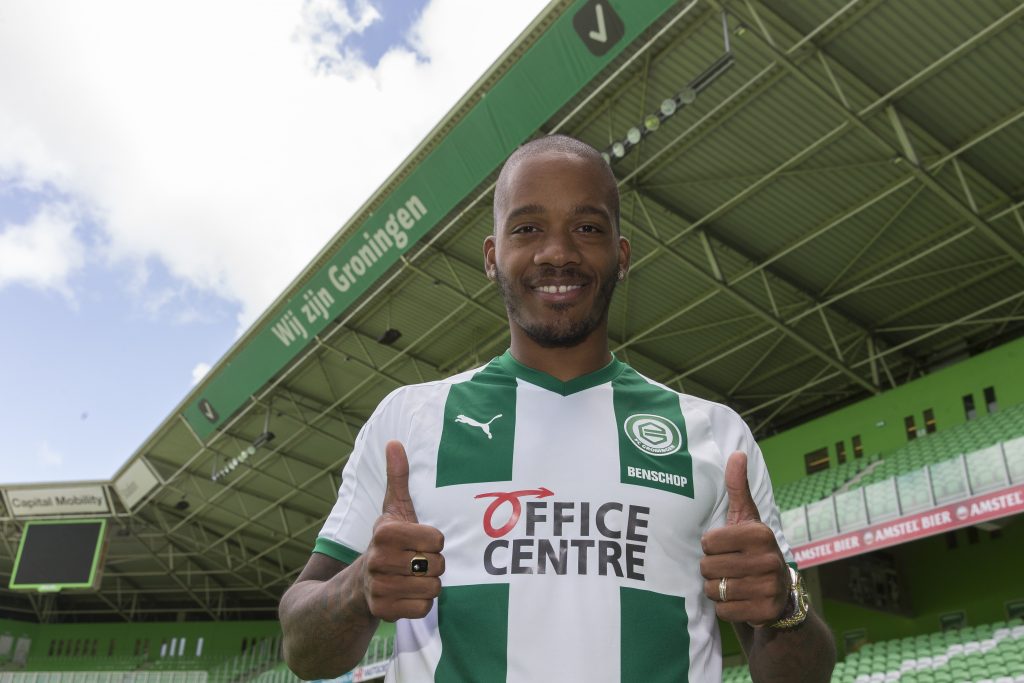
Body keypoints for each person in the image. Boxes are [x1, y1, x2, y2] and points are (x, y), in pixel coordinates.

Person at [279, 135, 836, 682]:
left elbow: (802, 674)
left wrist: (784, 607)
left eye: (587, 228)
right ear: (492, 257)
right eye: (528, 228)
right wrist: (359, 587)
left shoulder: (714, 434)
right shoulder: (409, 420)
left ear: (621, 256)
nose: (558, 253)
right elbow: (304, 652)